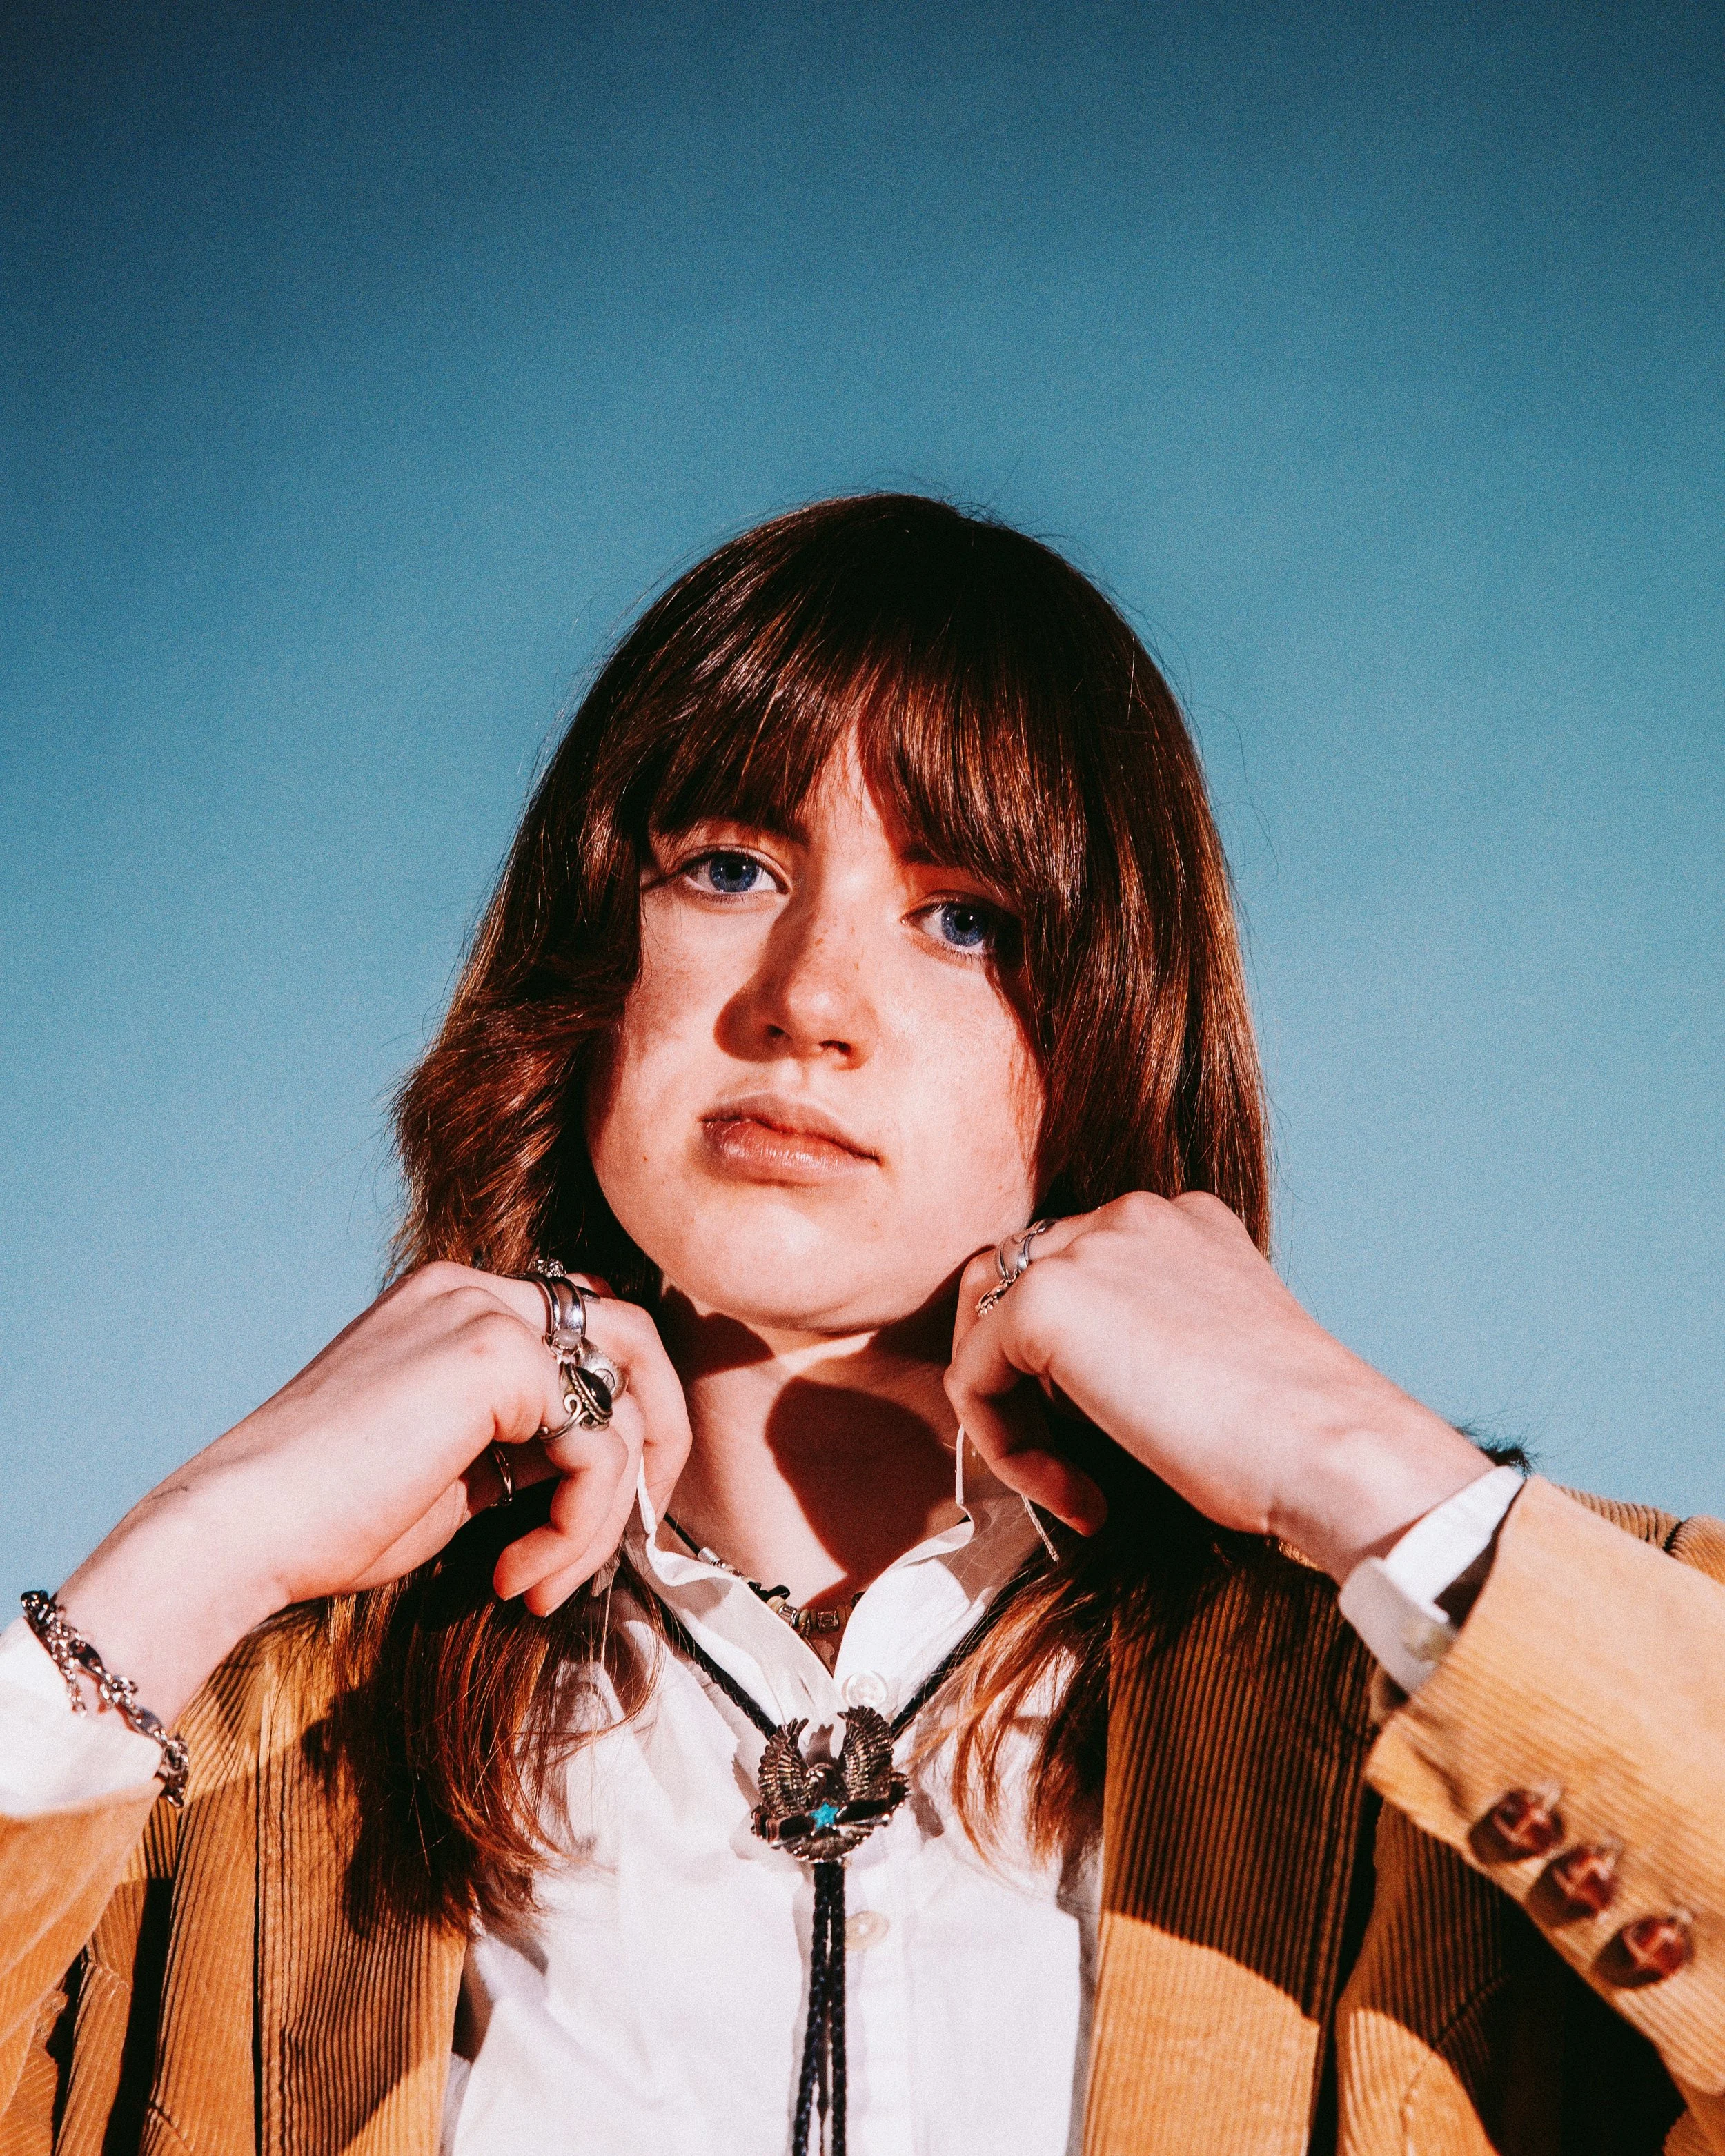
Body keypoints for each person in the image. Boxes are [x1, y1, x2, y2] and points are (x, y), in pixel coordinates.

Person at [1, 495, 1720, 2156]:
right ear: (593, 966)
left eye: (961, 915)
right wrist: (184, 1556)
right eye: (728, 866)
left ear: (1115, 1024)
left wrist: (1376, 1481)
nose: (808, 999)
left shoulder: (1463, 1675)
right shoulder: (233, 1739)